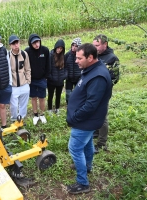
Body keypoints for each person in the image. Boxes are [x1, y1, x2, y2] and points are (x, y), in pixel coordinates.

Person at [66, 43, 112, 194]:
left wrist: (74, 118)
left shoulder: (98, 76)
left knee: (75, 148)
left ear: (90, 57)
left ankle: (82, 183)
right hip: (86, 120)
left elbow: (91, 105)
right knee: (86, 145)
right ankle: (87, 167)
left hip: (85, 121)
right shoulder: (91, 69)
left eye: (79, 58)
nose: (76, 61)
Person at [93, 34, 120, 153]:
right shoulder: (95, 56)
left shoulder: (112, 58)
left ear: (105, 44)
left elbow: (115, 78)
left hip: (103, 92)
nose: (95, 48)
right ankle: (96, 131)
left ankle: (102, 142)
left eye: (97, 45)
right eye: (94, 45)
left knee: (102, 116)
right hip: (93, 91)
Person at [25, 34, 50, 125]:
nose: (37, 44)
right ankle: (35, 115)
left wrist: (46, 77)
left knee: (42, 97)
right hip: (32, 79)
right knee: (34, 97)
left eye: (38, 42)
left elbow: (48, 64)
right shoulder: (27, 52)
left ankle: (42, 114)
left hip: (42, 79)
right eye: (34, 43)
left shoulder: (45, 50)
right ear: (30, 43)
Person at [8, 35, 31, 121]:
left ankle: (21, 119)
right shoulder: (8, 55)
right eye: (13, 43)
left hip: (24, 84)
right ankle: (14, 118)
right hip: (13, 85)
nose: (16, 45)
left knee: (23, 104)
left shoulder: (24, 54)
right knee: (13, 105)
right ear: (10, 45)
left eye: (17, 43)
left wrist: (28, 81)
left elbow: (27, 68)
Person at [47, 39, 66, 115]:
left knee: (58, 96)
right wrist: (51, 77)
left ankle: (57, 108)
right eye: (58, 48)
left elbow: (66, 68)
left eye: (61, 48)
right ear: (55, 47)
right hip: (51, 81)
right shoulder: (50, 55)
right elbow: (48, 68)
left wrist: (64, 76)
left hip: (60, 81)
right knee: (50, 95)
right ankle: (49, 109)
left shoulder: (63, 57)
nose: (59, 50)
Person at [65, 37, 82, 104]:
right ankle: (69, 105)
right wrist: (66, 75)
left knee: (78, 93)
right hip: (69, 78)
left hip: (78, 77)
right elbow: (64, 65)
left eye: (76, 46)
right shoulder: (67, 55)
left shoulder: (81, 55)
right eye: (73, 45)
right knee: (68, 94)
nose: (74, 47)